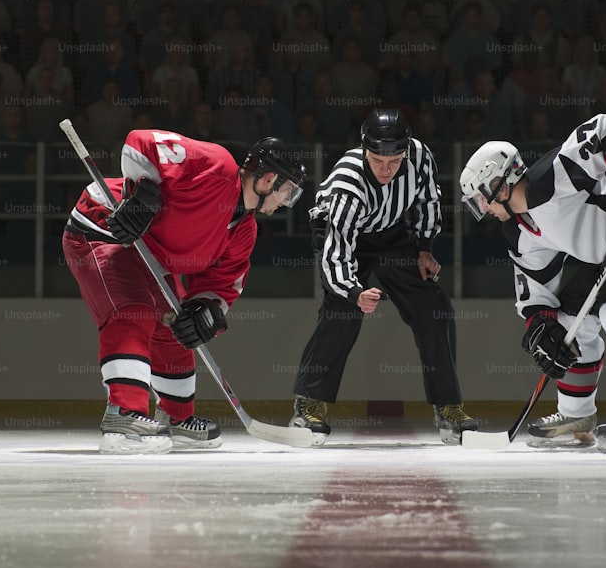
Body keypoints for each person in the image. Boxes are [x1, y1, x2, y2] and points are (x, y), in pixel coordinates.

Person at [459, 114, 606, 452]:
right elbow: (536, 299)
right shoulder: (519, 232)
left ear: (499, 183)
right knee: (569, 320)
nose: (482, 208)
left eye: (481, 198)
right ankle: (576, 414)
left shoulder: (549, 178)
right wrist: (543, 329)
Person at [62, 131, 307, 454]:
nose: (285, 203)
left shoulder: (244, 230)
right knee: (132, 311)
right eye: (287, 192)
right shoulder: (216, 166)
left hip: (150, 253)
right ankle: (124, 414)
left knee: (174, 323)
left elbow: (222, 285)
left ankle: (176, 417)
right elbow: (140, 143)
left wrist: (205, 311)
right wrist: (142, 196)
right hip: (103, 228)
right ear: (268, 180)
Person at [289, 109, 478, 444]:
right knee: (340, 315)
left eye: (395, 161)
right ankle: (308, 406)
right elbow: (337, 253)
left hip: (393, 235)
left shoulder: (419, 156)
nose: (386, 170)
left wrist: (424, 247)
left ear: (406, 151)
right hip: (348, 238)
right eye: (377, 161)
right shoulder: (349, 184)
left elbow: (430, 200)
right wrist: (352, 293)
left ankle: (449, 407)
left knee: (436, 310)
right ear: (364, 151)